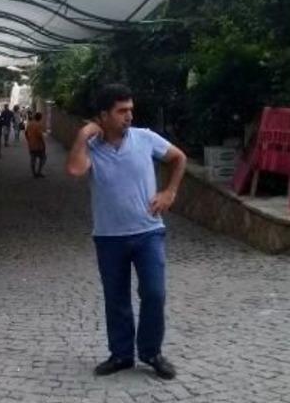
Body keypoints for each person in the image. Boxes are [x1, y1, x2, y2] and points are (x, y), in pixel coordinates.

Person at [66, 84, 186, 380]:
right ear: (103, 115)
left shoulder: (145, 138)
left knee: (154, 293)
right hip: (109, 237)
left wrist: (169, 192)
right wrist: (83, 135)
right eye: (121, 111)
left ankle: (151, 352)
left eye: (130, 110)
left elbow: (179, 158)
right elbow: (75, 170)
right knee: (116, 298)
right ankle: (121, 355)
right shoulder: (92, 148)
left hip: (149, 233)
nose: (129, 116)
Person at [25, 112, 47, 178]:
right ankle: (39, 172)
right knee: (43, 158)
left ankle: (34, 173)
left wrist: (29, 140)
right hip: (39, 146)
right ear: (40, 118)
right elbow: (40, 136)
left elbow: (26, 133)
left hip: (31, 145)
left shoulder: (30, 124)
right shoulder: (39, 125)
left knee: (33, 159)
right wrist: (44, 144)